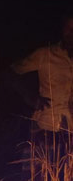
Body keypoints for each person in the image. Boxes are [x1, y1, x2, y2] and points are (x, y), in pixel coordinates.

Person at [11, 13, 73, 155]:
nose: (71, 34)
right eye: (69, 29)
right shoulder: (45, 55)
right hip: (47, 124)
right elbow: (12, 72)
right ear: (63, 29)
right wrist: (29, 96)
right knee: (42, 172)